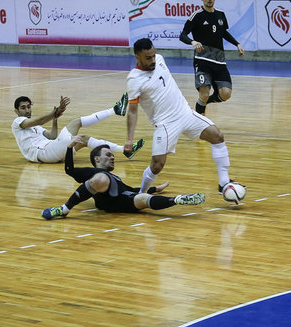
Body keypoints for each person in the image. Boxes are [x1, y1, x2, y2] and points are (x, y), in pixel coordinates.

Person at [124, 37, 243, 198]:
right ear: (137, 56)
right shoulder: (134, 79)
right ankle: (141, 195)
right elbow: (132, 111)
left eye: (153, 55)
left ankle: (224, 183)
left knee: (217, 136)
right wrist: (129, 140)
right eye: (148, 58)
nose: (152, 60)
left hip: (185, 113)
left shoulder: (159, 59)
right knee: (157, 165)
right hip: (165, 124)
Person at [41, 135, 205, 220]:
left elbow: (130, 190)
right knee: (101, 179)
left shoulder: (116, 179)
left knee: (141, 198)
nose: (113, 158)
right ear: (97, 159)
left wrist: (155, 189)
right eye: (108, 155)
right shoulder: (91, 173)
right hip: (105, 198)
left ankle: (177, 200)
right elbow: (69, 170)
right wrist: (69, 147)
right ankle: (64, 209)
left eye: (113, 155)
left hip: (120, 202)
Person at [12, 94, 145, 163]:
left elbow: (52, 136)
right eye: (23, 108)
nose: (27, 110)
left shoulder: (36, 127)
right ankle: (114, 110)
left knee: (84, 140)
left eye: (29, 106)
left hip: (51, 151)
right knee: (77, 122)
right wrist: (55, 112)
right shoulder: (18, 122)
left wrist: (55, 119)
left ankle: (125, 150)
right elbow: (39, 120)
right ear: (16, 111)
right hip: (44, 153)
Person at [180, 0, 244, 115]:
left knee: (225, 94)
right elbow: (182, 35)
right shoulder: (196, 16)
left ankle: (203, 103)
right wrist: (193, 42)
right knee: (203, 93)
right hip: (202, 60)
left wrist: (237, 44)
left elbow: (223, 33)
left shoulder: (220, 15)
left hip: (219, 61)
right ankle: (200, 122)